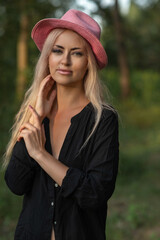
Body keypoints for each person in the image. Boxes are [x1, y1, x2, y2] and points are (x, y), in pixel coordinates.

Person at [4, 9, 119, 240]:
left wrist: (40, 155)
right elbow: (15, 183)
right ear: (48, 56)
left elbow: (94, 193)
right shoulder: (37, 113)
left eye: (76, 53)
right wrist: (38, 118)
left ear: (89, 62)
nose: (64, 61)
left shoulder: (102, 119)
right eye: (58, 50)